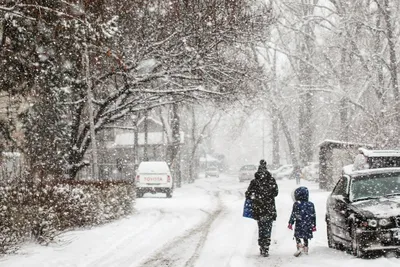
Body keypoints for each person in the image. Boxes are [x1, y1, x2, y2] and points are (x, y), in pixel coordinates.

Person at [245, 159, 279, 257]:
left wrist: (255, 196)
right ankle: (266, 246)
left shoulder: (255, 182)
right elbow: (276, 193)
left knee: (261, 227)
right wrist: (268, 195)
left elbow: (248, 194)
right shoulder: (271, 180)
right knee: (268, 227)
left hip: (259, 208)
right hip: (269, 208)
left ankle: (262, 245)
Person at [288, 186, 316, 256]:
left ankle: (299, 245)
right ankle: (306, 248)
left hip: (299, 223)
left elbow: (293, 214)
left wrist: (290, 223)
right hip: (308, 223)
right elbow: (313, 216)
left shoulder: (296, 204)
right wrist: (314, 225)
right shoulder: (311, 204)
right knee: (305, 236)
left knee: (297, 235)